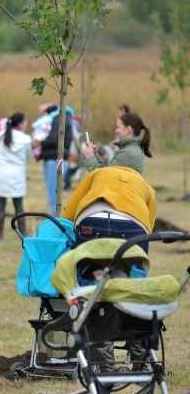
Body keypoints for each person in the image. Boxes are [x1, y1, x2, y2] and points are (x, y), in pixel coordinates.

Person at [61, 165, 156, 372]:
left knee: (94, 285)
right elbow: (149, 224)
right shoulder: (144, 185)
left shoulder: (98, 173)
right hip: (133, 228)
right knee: (134, 285)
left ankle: (105, 363)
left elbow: (69, 211)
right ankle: (140, 358)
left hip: (93, 223)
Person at [0, 113, 31, 240]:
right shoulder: (26, 139)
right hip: (17, 176)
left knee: (0, 205)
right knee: (18, 206)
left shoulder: (2, 135)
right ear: (21, 123)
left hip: (1, 174)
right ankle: (22, 233)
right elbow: (28, 156)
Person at [83, 112, 151, 175]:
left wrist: (90, 158)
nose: (116, 131)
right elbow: (108, 172)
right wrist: (95, 155)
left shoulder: (127, 153)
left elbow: (104, 178)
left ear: (128, 129)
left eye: (118, 127)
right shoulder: (131, 150)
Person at [37, 106, 75, 216]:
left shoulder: (59, 119)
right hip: (60, 159)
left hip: (55, 160)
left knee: (53, 196)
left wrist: (40, 144)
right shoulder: (66, 119)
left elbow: (53, 138)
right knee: (55, 194)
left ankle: (55, 222)